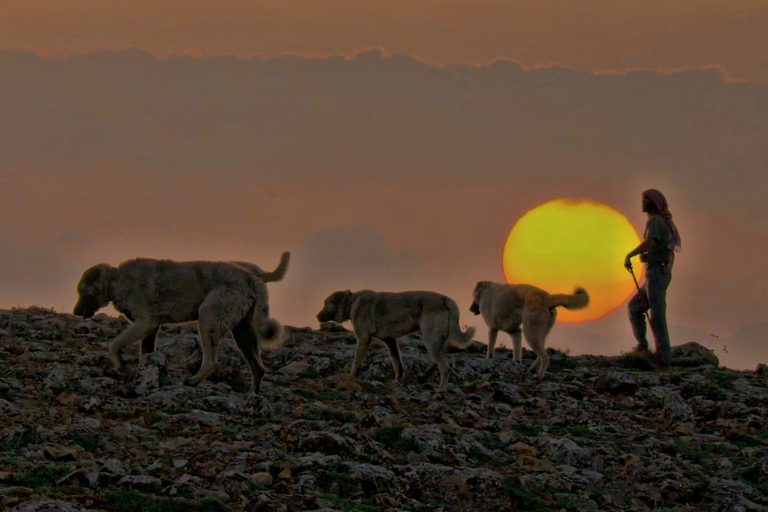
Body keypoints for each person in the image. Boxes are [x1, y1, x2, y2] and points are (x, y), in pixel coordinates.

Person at [624, 189, 682, 366]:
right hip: (656, 271)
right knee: (635, 307)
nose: (642, 203)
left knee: (657, 315)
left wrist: (631, 255)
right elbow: (658, 246)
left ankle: (663, 357)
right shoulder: (655, 221)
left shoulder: (655, 221)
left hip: (657, 273)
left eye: (645, 200)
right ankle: (643, 346)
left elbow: (652, 242)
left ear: (653, 203)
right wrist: (647, 257)